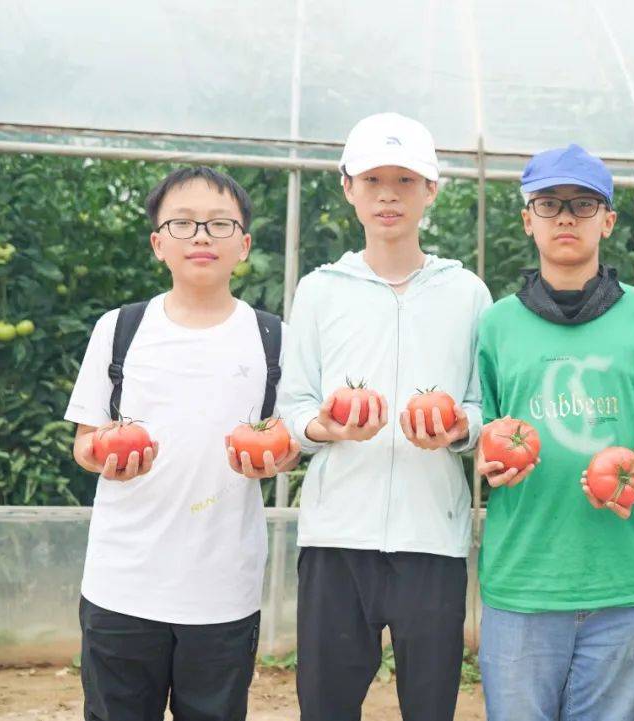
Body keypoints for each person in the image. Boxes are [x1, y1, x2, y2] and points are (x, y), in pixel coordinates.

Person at [278, 112, 492, 720]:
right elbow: (293, 408)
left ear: (431, 190)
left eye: (405, 180)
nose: (388, 195)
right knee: (326, 705)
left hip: (433, 537)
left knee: (430, 705)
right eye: (373, 180)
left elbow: (484, 408)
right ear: (348, 187)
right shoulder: (321, 290)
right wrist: (325, 427)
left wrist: (459, 429)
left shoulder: (468, 293)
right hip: (336, 536)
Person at [66, 166, 299, 720]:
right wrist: (104, 459)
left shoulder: (272, 337)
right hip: (122, 582)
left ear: (243, 245)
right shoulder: (119, 329)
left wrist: (272, 460)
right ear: (158, 244)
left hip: (223, 589)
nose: (200, 236)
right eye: (183, 223)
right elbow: (85, 440)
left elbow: (288, 442)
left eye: (219, 224)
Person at [475, 143, 634, 721]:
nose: (566, 217)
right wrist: (487, 462)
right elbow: (484, 427)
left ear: (607, 221)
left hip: (620, 581)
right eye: (549, 204)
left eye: (583, 204)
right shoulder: (496, 324)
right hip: (522, 578)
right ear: (528, 219)